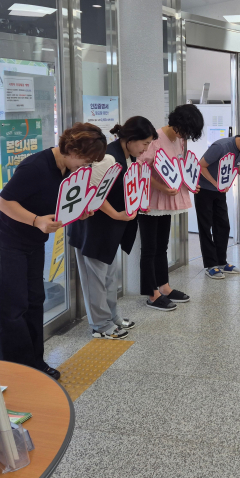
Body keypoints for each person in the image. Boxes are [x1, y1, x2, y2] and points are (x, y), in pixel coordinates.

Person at [0, 122, 107, 378]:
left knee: (34, 301)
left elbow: (59, 204)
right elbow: (2, 202)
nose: (85, 167)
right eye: (86, 161)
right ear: (71, 149)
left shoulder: (67, 169)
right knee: (12, 308)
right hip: (7, 243)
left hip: (33, 243)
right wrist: (36, 221)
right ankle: (18, 370)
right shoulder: (35, 166)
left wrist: (79, 212)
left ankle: (35, 362)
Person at [67, 117, 156, 339]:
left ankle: (112, 317)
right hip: (93, 227)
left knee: (108, 276)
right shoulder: (108, 157)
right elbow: (91, 191)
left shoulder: (128, 157)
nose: (146, 149)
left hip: (111, 228)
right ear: (131, 139)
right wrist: (116, 214)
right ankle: (100, 325)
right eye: (144, 143)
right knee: (95, 279)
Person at [137, 104, 204, 311]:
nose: (185, 137)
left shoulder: (180, 140)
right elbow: (140, 171)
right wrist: (162, 188)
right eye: (185, 131)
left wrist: (189, 183)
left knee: (162, 246)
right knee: (149, 248)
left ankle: (164, 287)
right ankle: (151, 294)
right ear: (177, 124)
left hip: (166, 200)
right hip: (150, 200)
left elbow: (177, 168)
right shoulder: (154, 140)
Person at [196, 131, 240, 278]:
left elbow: (237, 165)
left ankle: (221, 262)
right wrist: (216, 184)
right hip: (204, 190)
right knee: (206, 227)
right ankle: (210, 265)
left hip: (220, 190)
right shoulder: (220, 147)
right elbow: (201, 166)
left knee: (223, 225)